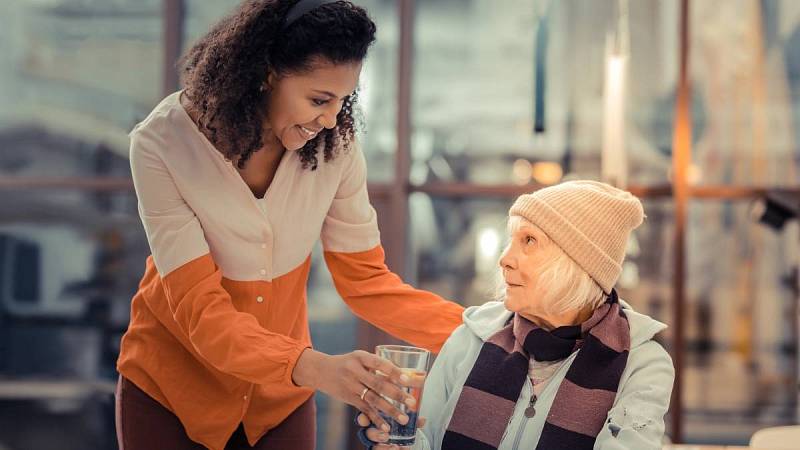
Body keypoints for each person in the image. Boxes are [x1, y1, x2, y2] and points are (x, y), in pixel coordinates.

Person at [114, 1, 464, 449]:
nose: (332, 119)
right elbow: (202, 312)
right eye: (319, 99)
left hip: (278, 399)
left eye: (343, 100)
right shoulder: (161, 144)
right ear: (265, 74)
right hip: (172, 392)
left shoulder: (335, 149)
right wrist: (318, 368)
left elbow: (367, 282)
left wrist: (489, 337)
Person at [359, 180, 675, 450]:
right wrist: (397, 440)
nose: (505, 259)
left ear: (577, 265)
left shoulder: (642, 365)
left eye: (529, 241)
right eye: (511, 240)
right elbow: (425, 438)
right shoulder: (472, 337)